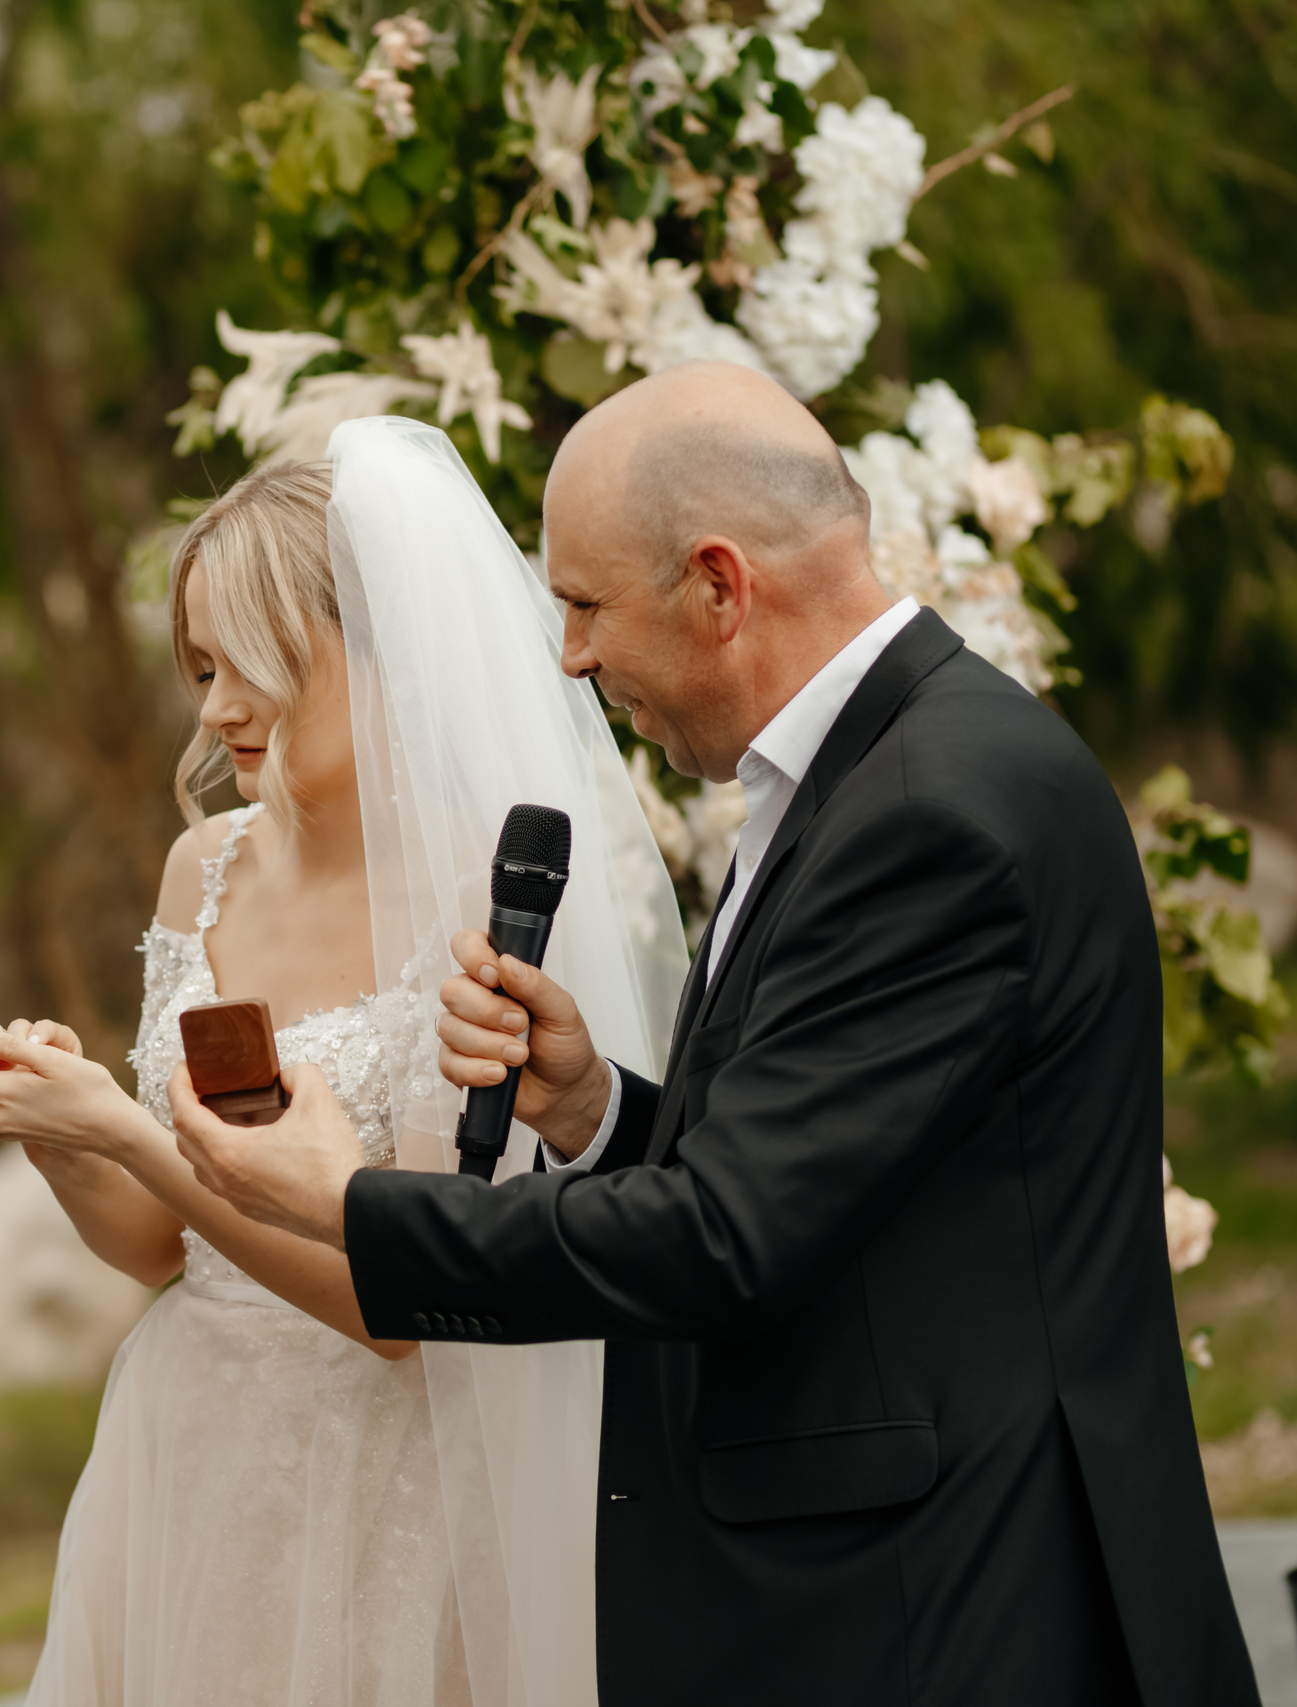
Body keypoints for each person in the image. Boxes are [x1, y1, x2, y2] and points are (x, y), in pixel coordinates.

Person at [170, 363, 1260, 1706]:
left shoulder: (936, 808)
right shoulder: (877, 768)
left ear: (720, 586)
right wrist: (599, 1112)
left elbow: (727, 1240)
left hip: (942, 1608)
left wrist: (353, 1206)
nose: (567, 656)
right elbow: (833, 1167)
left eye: (583, 605)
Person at [0, 417, 686, 1706]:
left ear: (380, 653)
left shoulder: (488, 908)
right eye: (201, 667)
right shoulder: (199, 869)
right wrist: (53, 1128)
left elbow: (401, 1319)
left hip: (390, 1484)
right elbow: (160, 1245)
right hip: (188, 1448)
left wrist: (122, 1127)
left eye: (254, 663)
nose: (216, 710)